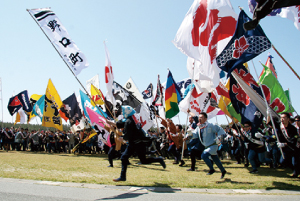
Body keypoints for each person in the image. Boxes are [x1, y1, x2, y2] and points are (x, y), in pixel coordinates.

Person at [113, 105, 166, 182]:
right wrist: (109, 122)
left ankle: (122, 176)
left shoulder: (129, 121)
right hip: (139, 143)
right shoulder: (132, 119)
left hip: (134, 143)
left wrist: (123, 138)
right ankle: (159, 159)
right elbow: (120, 124)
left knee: (124, 157)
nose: (122, 112)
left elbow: (128, 134)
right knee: (143, 160)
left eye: (123, 111)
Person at [193, 112, 227, 179]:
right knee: (216, 159)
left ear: (205, 119)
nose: (199, 119)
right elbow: (195, 134)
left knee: (204, 155)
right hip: (207, 146)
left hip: (213, 145)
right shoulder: (199, 127)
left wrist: (219, 138)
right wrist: (188, 136)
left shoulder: (211, 125)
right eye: (199, 117)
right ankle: (223, 171)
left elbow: (220, 129)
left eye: (201, 117)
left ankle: (212, 169)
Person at [270, 112, 300, 178]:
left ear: (288, 119)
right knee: (283, 161)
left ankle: (295, 173)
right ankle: (296, 171)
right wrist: (268, 114)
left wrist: (284, 144)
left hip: (293, 148)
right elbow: (270, 122)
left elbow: (293, 140)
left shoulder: (293, 129)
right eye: (281, 118)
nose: (282, 119)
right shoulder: (280, 126)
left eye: (284, 118)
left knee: (295, 162)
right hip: (285, 149)